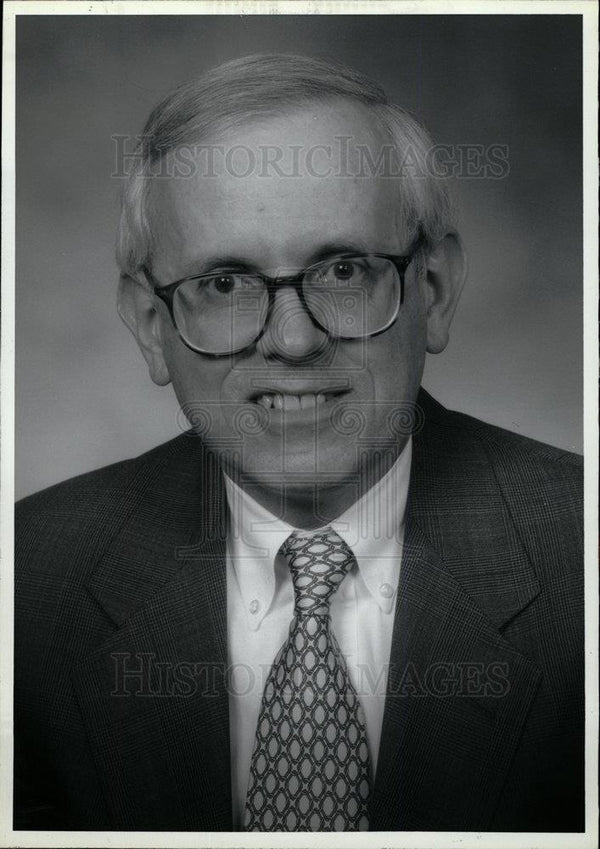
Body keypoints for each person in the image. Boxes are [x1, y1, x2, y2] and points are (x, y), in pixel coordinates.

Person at [14, 53, 583, 833]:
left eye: (344, 269)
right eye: (223, 283)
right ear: (151, 327)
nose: (291, 339)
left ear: (435, 291)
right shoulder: (27, 584)